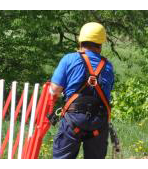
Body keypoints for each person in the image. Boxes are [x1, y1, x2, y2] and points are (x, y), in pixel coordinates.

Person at [49, 22, 115, 159]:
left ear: (81, 41)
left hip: (73, 119)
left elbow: (54, 90)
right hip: (99, 121)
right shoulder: (108, 66)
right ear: (100, 44)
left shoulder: (69, 59)